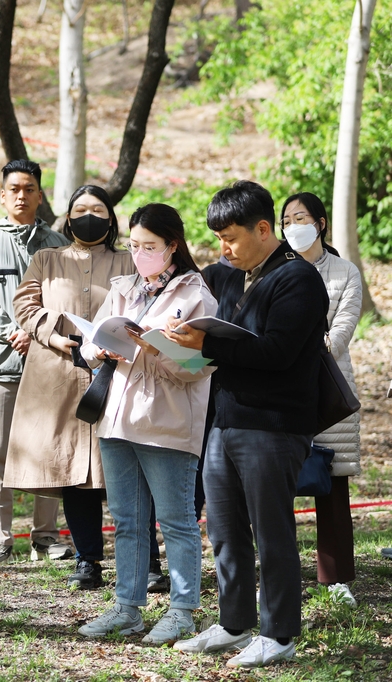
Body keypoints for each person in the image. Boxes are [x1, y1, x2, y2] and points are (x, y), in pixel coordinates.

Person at [165, 180, 328, 668]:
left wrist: (205, 345)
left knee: (270, 530)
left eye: (231, 237)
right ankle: (234, 624)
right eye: (217, 238)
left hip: (275, 425)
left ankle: (279, 634)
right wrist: (174, 341)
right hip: (227, 419)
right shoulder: (228, 277)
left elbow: (278, 352)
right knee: (225, 527)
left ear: (263, 228)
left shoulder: (298, 279)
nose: (224, 249)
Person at [76, 204, 217, 644]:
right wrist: (97, 350)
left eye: (149, 247)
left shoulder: (196, 293)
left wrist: (155, 346)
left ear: (172, 245)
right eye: (134, 246)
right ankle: (126, 607)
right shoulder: (123, 289)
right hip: (117, 421)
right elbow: (90, 340)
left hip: (168, 422)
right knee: (126, 520)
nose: (139, 255)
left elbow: (201, 366)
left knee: (175, 519)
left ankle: (182, 609)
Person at [3, 185, 136, 589]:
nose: (89, 215)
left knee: (128, 467)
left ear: (111, 219)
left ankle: (145, 564)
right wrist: (52, 333)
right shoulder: (46, 258)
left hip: (119, 375)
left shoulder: (130, 260)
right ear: (67, 216)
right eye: (80, 209)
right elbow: (24, 305)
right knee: (77, 471)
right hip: (60, 373)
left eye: (97, 209)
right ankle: (88, 561)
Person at [0, 160, 72, 567]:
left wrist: (39, 332)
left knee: (49, 450)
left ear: (40, 195)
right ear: (2, 194)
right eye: (14, 189)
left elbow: (65, 299)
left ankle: (45, 536)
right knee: (0, 454)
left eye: (29, 189)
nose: (21, 196)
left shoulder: (58, 244)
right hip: (2, 365)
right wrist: (15, 331)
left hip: (48, 362)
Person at [280, 192, 361, 607]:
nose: (294, 226)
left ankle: (337, 578)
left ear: (321, 223)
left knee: (332, 488)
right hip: (282, 389)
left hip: (329, 389)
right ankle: (281, 574)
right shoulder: (276, 271)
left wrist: (301, 345)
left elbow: (342, 329)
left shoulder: (345, 272)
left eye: (302, 218)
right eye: (287, 219)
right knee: (277, 487)